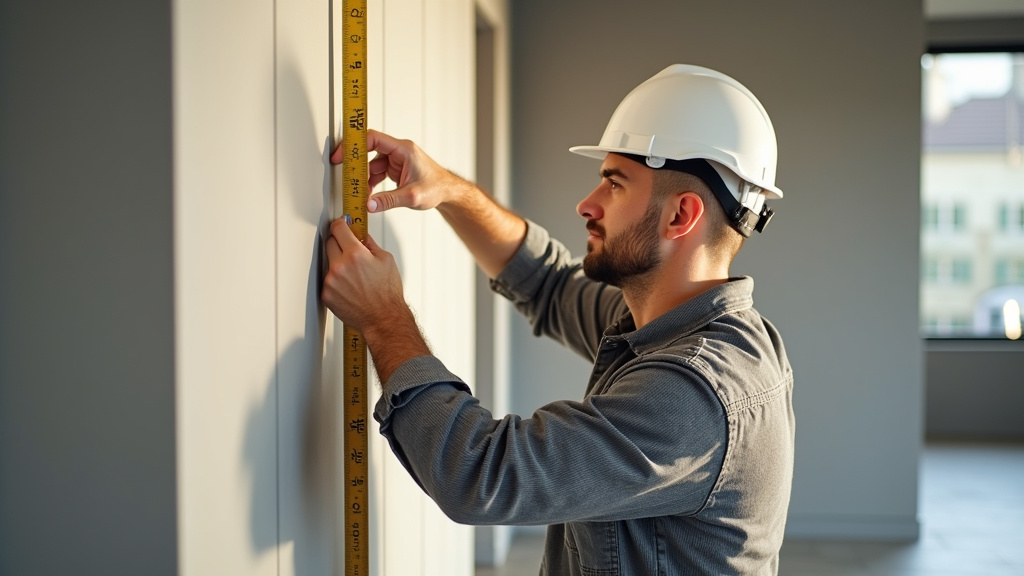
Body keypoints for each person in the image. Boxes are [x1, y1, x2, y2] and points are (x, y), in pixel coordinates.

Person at [321, 64, 794, 575]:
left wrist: (384, 318)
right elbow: (546, 282)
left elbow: (481, 477)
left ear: (681, 215)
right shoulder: (674, 324)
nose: (587, 204)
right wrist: (451, 191)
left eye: (615, 184)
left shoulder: (694, 393)